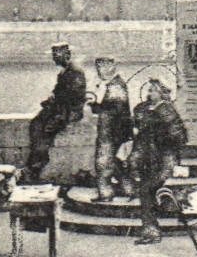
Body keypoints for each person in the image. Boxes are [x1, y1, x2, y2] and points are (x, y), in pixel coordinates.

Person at [124, 77, 188, 245]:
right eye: (148, 90)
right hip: (146, 159)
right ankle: (150, 230)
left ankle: (152, 231)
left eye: (152, 90)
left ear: (161, 93)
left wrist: (160, 140)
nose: (149, 93)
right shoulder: (145, 108)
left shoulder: (167, 111)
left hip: (162, 160)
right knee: (145, 193)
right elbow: (137, 128)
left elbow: (178, 137)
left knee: (147, 192)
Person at [24, 43, 87, 182]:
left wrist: (58, 110)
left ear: (67, 55)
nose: (55, 58)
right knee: (37, 124)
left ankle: (37, 164)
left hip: (68, 112)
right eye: (54, 55)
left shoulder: (74, 72)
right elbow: (60, 91)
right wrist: (52, 100)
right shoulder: (66, 71)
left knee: (43, 129)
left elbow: (73, 97)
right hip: (61, 109)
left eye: (57, 55)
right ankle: (36, 162)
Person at [87, 57, 133, 202]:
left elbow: (114, 110)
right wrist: (95, 105)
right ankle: (128, 190)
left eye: (101, 67)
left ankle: (106, 194)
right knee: (118, 164)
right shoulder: (115, 84)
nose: (99, 71)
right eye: (98, 67)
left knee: (103, 164)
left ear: (111, 66)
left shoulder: (115, 86)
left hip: (111, 133)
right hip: (115, 133)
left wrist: (96, 106)